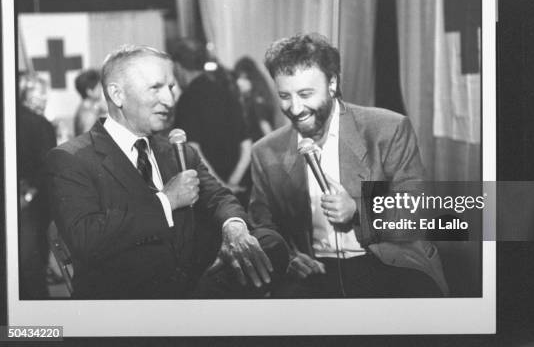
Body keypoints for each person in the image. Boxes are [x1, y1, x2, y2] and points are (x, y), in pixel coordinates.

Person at [45, 45, 288, 299]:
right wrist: (166, 202)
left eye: (171, 88)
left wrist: (234, 229)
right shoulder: (71, 158)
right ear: (117, 95)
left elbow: (219, 198)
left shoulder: (176, 150)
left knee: (269, 243)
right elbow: (86, 238)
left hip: (189, 284)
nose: (170, 101)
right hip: (127, 299)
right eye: (156, 88)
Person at [249, 34, 447, 298]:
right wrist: (289, 257)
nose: (295, 109)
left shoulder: (388, 129)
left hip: (387, 262)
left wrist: (357, 209)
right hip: (314, 272)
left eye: (306, 94)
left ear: (332, 83)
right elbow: (263, 226)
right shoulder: (265, 152)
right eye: (285, 96)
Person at [171, 39, 252, 197]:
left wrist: (220, 185)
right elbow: (247, 145)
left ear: (178, 67)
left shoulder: (187, 99)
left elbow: (192, 149)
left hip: (208, 191)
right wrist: (233, 183)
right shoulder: (227, 92)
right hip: (240, 187)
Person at [18, 72, 57, 298]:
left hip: (25, 201)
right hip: (34, 204)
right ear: (26, 93)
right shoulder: (39, 124)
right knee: (34, 266)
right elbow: (46, 166)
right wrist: (29, 195)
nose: (45, 98)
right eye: (41, 93)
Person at [233, 56, 276, 142]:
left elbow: (265, 125)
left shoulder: (257, 101)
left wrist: (274, 148)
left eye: (243, 78)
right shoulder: (257, 97)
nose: (239, 82)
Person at [74, 69, 108, 136]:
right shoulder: (89, 115)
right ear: (89, 91)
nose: (101, 89)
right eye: (98, 87)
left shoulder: (86, 108)